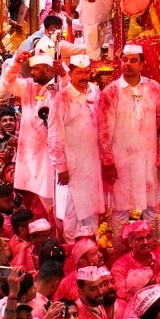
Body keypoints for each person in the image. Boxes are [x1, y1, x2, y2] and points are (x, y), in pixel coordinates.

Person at [98, 44, 160, 243]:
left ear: (142, 64)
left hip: (148, 158)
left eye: (133, 60)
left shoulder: (154, 88)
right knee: (120, 211)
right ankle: (120, 250)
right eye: (124, 60)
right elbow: (104, 131)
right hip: (121, 161)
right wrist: (108, 161)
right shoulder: (111, 92)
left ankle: (154, 248)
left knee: (152, 208)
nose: (127, 64)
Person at [0, 49, 62, 214]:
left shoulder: (59, 87)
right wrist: (16, 63)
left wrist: (63, 74)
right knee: (30, 192)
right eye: (32, 69)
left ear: (49, 70)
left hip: (49, 151)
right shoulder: (27, 86)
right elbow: (8, 83)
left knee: (51, 194)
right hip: (29, 150)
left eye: (36, 69)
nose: (33, 72)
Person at [49, 53, 105, 240]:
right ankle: (71, 246)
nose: (83, 77)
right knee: (72, 207)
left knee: (92, 206)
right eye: (79, 73)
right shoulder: (62, 98)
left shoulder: (95, 91)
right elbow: (55, 133)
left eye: (87, 72)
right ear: (71, 74)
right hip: (72, 163)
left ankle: (92, 244)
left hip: (93, 161)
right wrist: (60, 166)